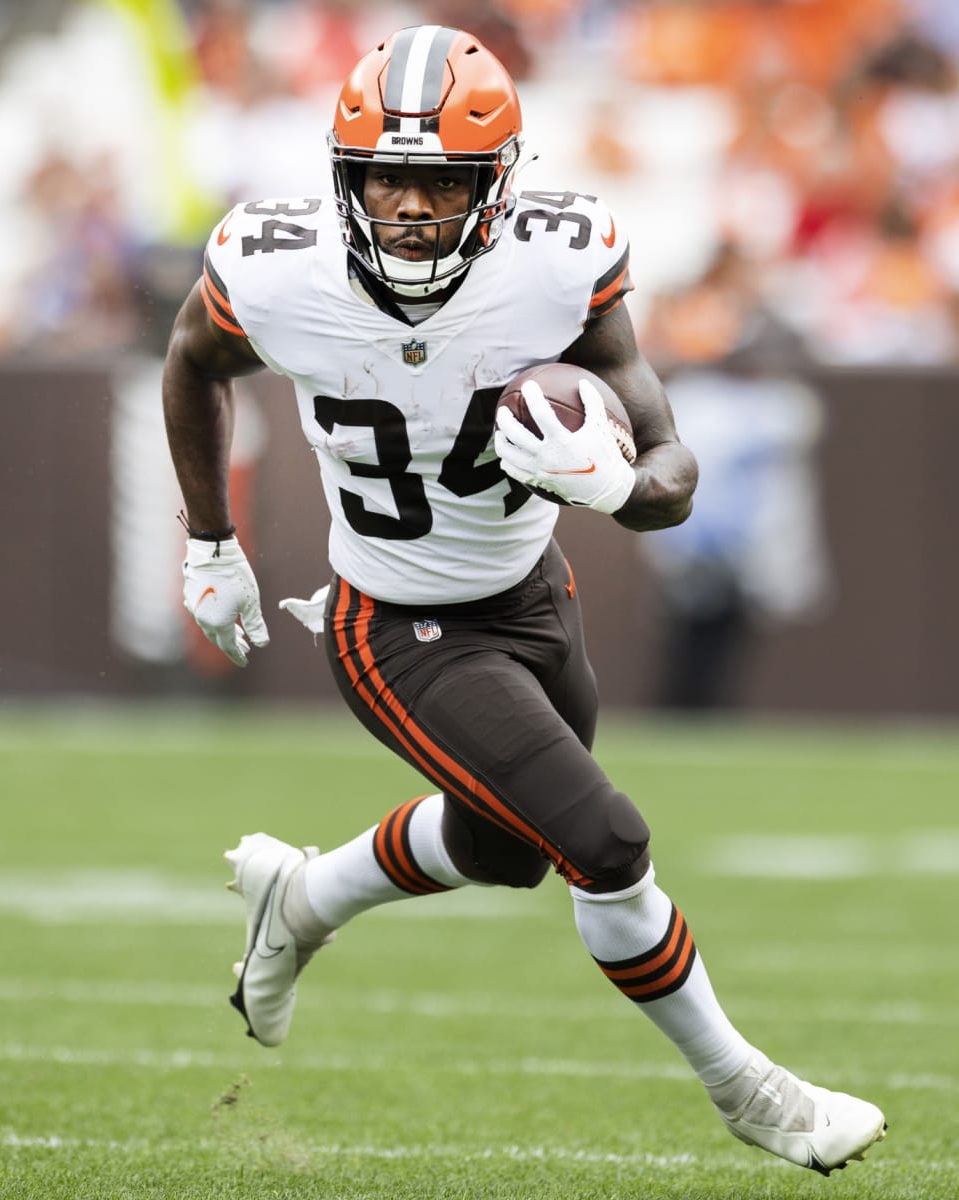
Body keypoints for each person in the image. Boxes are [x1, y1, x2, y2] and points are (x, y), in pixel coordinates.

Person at [161, 25, 887, 1176]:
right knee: (605, 840)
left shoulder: (559, 261)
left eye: (436, 184)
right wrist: (210, 540)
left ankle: (299, 899)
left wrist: (618, 487)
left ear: (497, 191)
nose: (404, 208)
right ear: (341, 179)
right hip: (391, 624)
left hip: (534, 595)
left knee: (509, 851)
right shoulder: (273, 263)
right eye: (383, 179)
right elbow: (194, 360)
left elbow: (669, 465)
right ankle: (751, 1091)